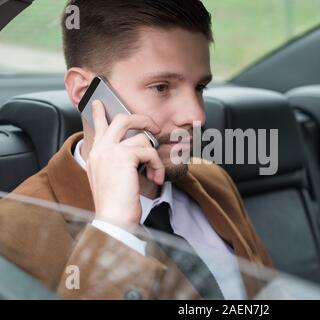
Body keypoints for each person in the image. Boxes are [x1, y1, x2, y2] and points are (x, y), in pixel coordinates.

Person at [0, 0, 272, 299]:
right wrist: (113, 230)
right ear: (84, 92)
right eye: (161, 87)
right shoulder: (13, 231)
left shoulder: (213, 181)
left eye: (199, 87)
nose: (196, 116)